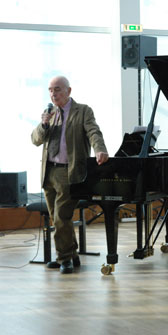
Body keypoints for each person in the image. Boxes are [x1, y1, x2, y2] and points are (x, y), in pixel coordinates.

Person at [31, 76, 109, 274]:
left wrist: (100, 149)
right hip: (49, 172)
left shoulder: (83, 111)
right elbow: (35, 140)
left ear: (69, 91)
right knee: (58, 218)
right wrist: (44, 125)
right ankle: (72, 255)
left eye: (57, 89)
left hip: (69, 172)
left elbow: (94, 132)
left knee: (60, 217)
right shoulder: (49, 114)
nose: (53, 94)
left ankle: (64, 259)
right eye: (50, 90)